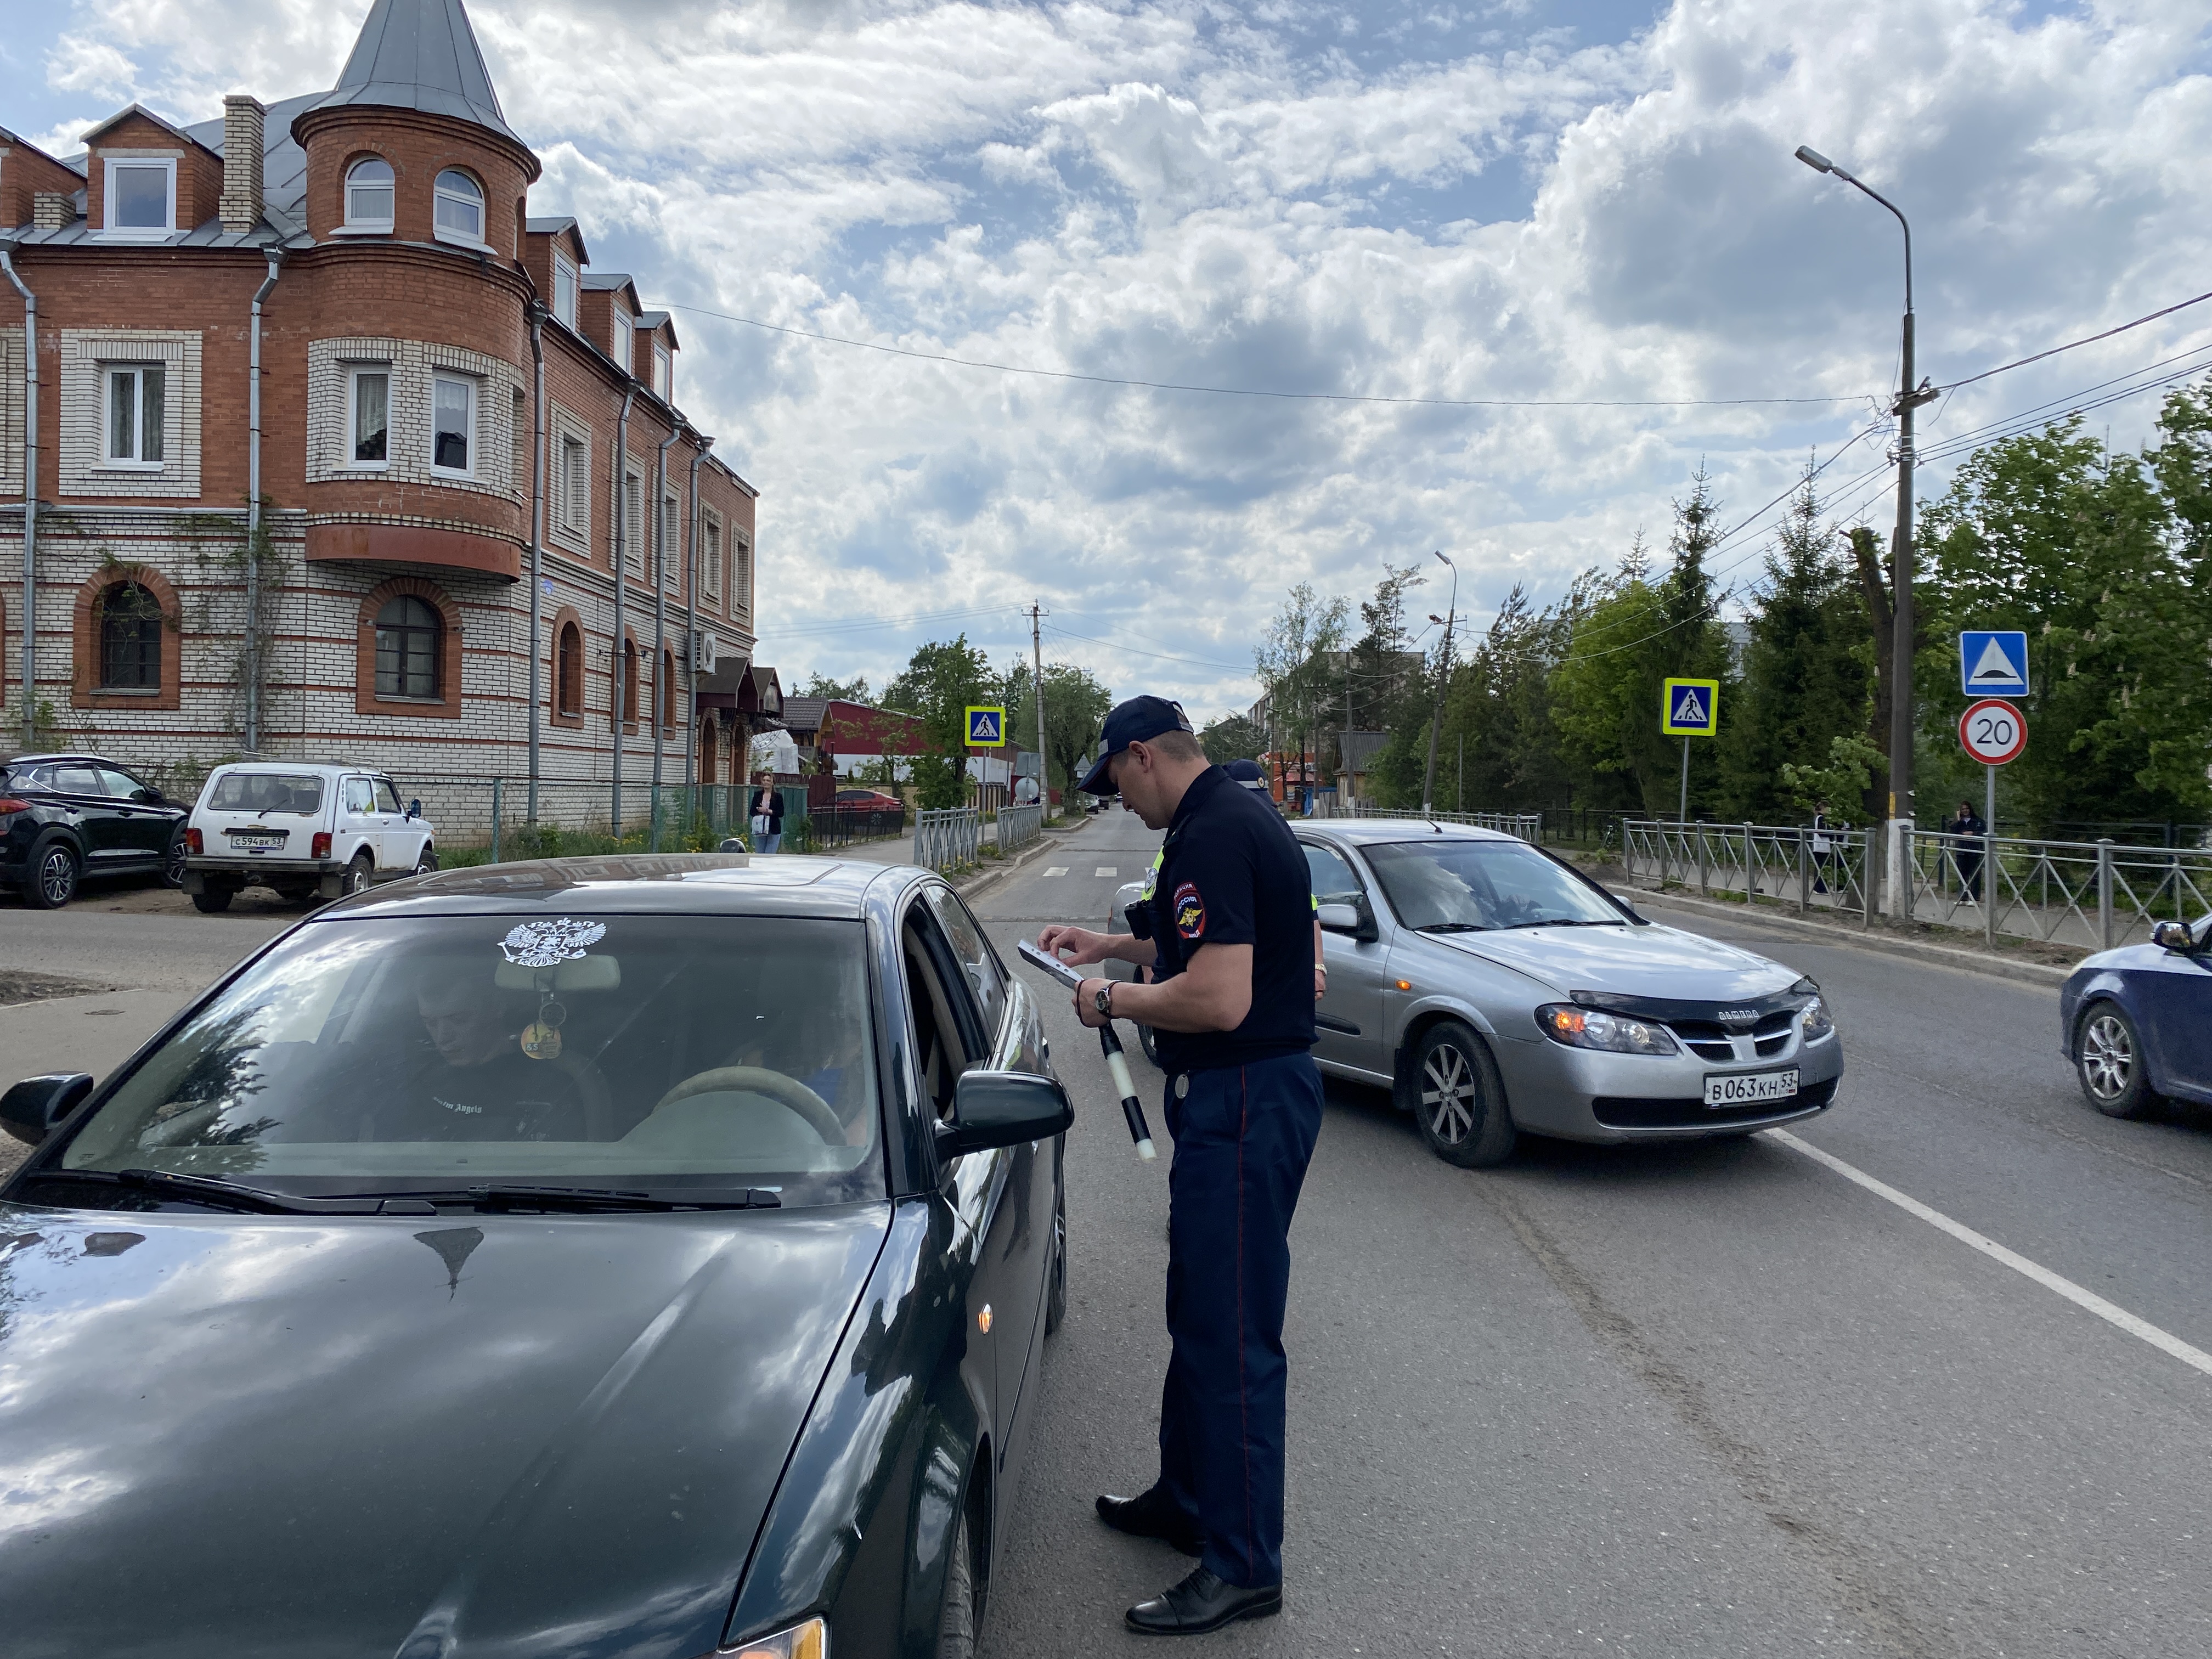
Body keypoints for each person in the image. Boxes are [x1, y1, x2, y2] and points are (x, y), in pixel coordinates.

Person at [1037, 695, 1324, 1637]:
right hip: (1241, 1100)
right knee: (1199, 1309)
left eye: (1113, 780)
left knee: (1233, 1334)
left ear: (1140, 757)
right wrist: (1111, 944)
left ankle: (1243, 1564)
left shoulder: (1210, 831)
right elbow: (1206, 942)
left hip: (1244, 1100)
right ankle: (1188, 1496)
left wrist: (1107, 995)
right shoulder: (1229, 817)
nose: (1115, 800)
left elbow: (1217, 996)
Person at [1946, 797, 1987, 904]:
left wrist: (1973, 834)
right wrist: (1958, 820)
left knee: (1975, 875)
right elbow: (1953, 831)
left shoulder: (1978, 821)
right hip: (1961, 850)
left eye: (1967, 809)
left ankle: (1975, 898)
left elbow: (1984, 833)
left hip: (1975, 851)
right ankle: (1962, 897)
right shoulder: (1958, 822)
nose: (1965, 811)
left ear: (1970, 809)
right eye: (1963, 809)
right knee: (1962, 875)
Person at [748, 770, 784, 854]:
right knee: (760, 854)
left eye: (768, 781)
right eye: (764, 780)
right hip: (760, 829)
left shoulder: (778, 797)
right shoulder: (758, 795)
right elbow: (752, 811)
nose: (766, 782)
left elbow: (781, 813)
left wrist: (769, 811)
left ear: (772, 783)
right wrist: (759, 811)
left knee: (769, 855)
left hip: (773, 828)